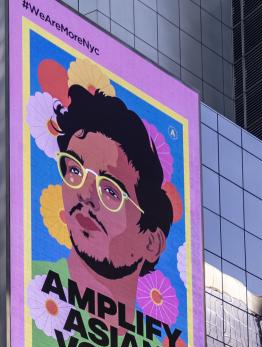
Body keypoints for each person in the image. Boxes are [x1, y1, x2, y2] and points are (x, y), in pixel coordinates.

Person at [53, 84, 176, 305]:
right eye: (74, 170)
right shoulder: (26, 297)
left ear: (151, 243)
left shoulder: (167, 340)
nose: (85, 194)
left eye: (110, 190)